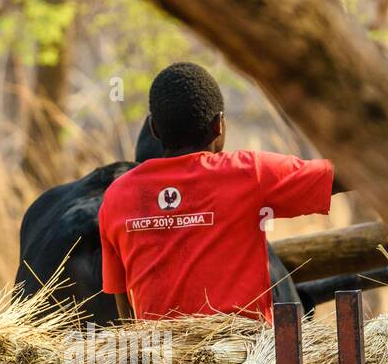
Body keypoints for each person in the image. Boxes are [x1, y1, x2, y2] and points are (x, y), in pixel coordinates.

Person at [99, 61, 341, 323]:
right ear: (219, 126)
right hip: (248, 354)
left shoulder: (115, 197)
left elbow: (123, 303)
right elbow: (335, 179)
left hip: (162, 356)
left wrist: (145, 356)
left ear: (154, 129)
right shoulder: (248, 173)